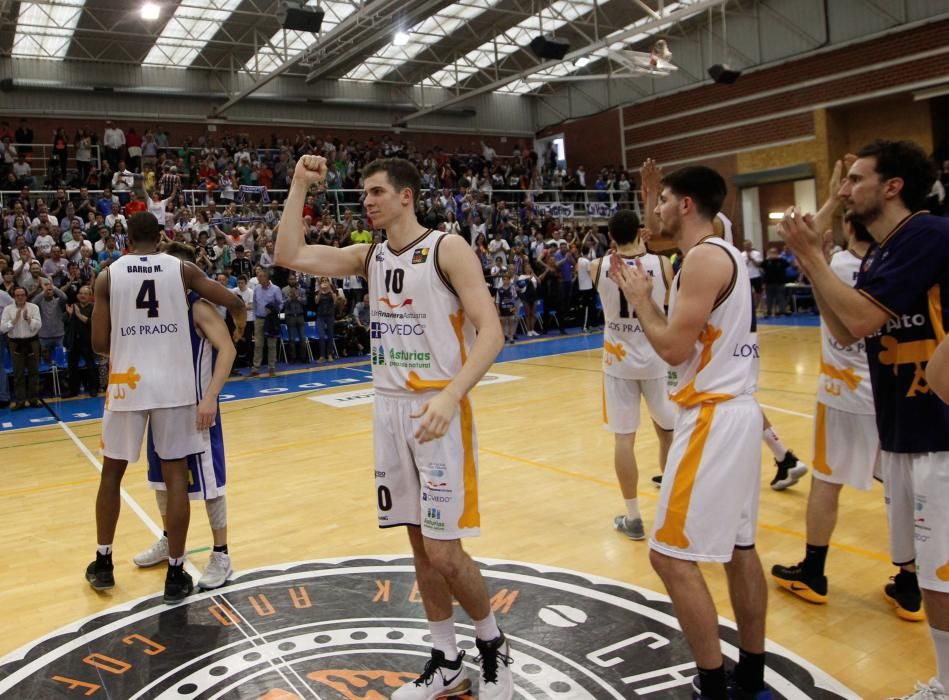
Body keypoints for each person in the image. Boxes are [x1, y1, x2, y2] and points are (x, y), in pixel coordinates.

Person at [274, 155, 513, 699]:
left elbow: (493, 332)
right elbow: (288, 253)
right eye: (365, 194)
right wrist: (297, 185)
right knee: (419, 548)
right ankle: (445, 658)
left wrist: (453, 395)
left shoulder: (447, 248)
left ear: (407, 195)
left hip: (436, 407)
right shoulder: (370, 255)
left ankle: (493, 645)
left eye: (378, 192)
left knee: (446, 552)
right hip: (388, 408)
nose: (369, 201)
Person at [778, 140, 949, 700]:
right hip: (904, 427)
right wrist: (815, 263)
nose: (844, 191)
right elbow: (848, 329)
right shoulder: (880, 251)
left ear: (892, 186)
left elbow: (856, 314)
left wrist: (813, 260)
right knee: (928, 574)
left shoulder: (925, 235)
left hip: (938, 429)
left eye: (854, 179)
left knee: (940, 575)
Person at [610, 166, 771, 700]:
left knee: (669, 557)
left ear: (686, 205)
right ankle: (749, 675)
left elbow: (674, 349)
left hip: (712, 416)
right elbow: (655, 233)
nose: (655, 212)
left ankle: (712, 685)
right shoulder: (719, 248)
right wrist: (650, 194)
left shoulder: (702, 258)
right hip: (739, 411)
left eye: (664, 203)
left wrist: (640, 300)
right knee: (739, 549)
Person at [85, 212, 245, 605]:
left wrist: (131, 344)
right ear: (160, 237)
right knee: (175, 477)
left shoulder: (108, 275)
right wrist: (238, 320)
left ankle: (103, 562)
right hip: (175, 385)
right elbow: (232, 300)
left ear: (126, 238)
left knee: (112, 474)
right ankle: (176, 571)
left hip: (128, 383)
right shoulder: (181, 269)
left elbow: (98, 343)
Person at [771, 211, 883, 607]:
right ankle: (911, 581)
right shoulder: (897, 262)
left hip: (842, 393)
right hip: (889, 391)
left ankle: (813, 571)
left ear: (849, 228)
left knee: (826, 482)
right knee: (903, 488)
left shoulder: (838, 264)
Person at [135, 242, 237, 591]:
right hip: (161, 407)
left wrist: (210, 397)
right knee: (161, 481)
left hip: (198, 409)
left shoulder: (199, 307)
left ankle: (222, 553)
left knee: (211, 485)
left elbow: (228, 349)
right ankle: (170, 540)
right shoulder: (155, 310)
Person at [593, 209, 676, 540]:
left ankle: (633, 516)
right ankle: (671, 511)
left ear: (611, 236)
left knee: (624, 439)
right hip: (658, 357)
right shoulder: (664, 265)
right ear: (641, 232)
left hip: (618, 363)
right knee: (668, 433)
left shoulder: (598, 266)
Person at [0, 286, 42, 410]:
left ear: (26, 295)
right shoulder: (8, 309)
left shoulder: (34, 307)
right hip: (15, 343)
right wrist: (13, 321)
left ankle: (33, 399)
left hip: (32, 342)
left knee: (34, 372)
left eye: (22, 295)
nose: (20, 297)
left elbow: (39, 325)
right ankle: (20, 401)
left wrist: (29, 320)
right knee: (18, 373)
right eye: (17, 295)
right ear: (14, 296)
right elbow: (2, 328)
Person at [64, 285, 98, 398]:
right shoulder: (73, 306)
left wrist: (78, 315)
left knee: (91, 366)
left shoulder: (94, 307)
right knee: (72, 367)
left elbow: (93, 323)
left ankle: (93, 388)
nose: (82, 295)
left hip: (88, 341)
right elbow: (65, 321)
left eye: (85, 293)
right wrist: (69, 315)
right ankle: (73, 390)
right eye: (81, 293)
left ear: (90, 296)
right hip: (74, 341)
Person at [250, 269, 282, 377]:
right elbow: (254, 304)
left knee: (271, 345)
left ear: (267, 278)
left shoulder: (275, 289)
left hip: (271, 320)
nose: (258, 278)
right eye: (258, 276)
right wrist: (255, 317)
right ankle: (255, 368)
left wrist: (273, 310)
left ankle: (271, 367)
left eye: (261, 276)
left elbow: (280, 304)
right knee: (258, 344)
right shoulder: (257, 289)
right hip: (259, 319)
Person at [495, 271, 518, 344]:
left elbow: (515, 298)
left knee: (511, 323)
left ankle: (511, 337)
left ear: (509, 280)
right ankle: (505, 336)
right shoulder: (499, 290)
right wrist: (498, 309)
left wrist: (514, 308)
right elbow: (497, 301)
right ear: (502, 280)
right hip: (503, 309)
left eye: (507, 279)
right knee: (504, 323)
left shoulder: (512, 288)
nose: (505, 280)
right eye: (504, 279)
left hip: (510, 308)